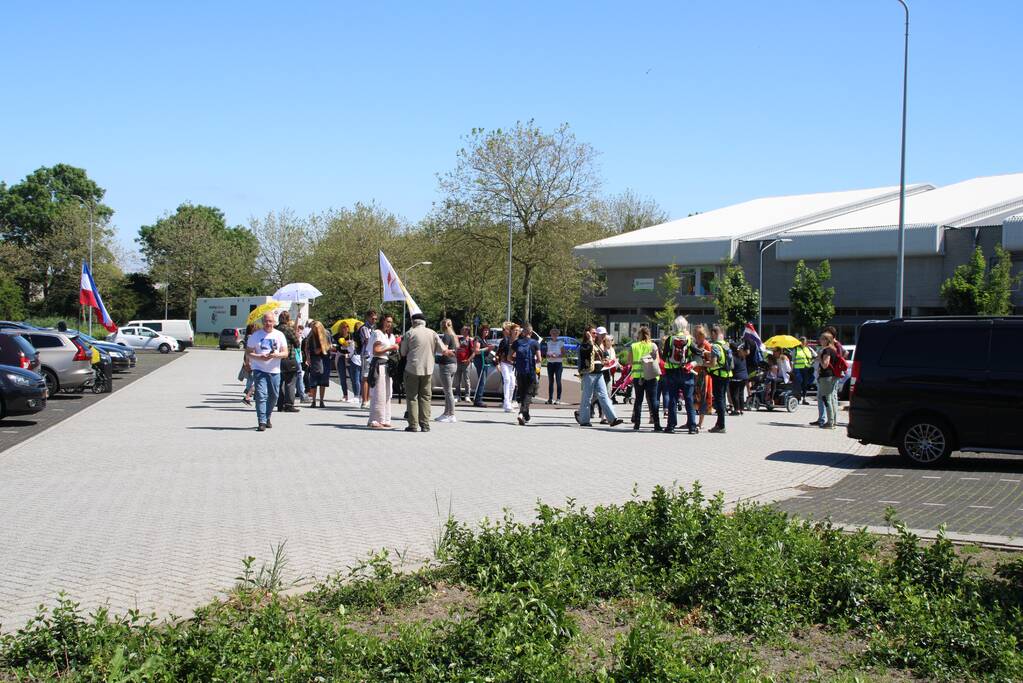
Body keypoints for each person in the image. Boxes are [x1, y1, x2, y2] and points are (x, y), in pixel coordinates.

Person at [399, 313, 450, 432]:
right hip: (428, 369)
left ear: (413, 322)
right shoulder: (432, 333)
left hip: (412, 369)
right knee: (426, 397)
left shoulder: (409, 333)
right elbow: (443, 350)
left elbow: (403, 352)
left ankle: (413, 425)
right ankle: (425, 424)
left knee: (412, 398)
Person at [246, 312, 288, 431]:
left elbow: (285, 353)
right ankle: (262, 421)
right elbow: (248, 351)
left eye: (270, 321)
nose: (267, 324)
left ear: (274, 322)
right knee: (261, 395)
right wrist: (259, 357)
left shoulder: (279, 335)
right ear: (262, 322)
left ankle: (267, 416)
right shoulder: (256, 335)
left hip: (274, 370)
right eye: (265, 321)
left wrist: (276, 355)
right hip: (259, 369)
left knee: (274, 396)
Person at [575, 327, 623, 428]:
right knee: (587, 397)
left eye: (596, 333)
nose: (595, 334)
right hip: (589, 373)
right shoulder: (585, 345)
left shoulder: (597, 345)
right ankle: (584, 420)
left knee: (604, 396)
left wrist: (606, 361)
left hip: (599, 373)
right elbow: (586, 352)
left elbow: (603, 355)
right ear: (587, 333)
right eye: (593, 333)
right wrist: (589, 340)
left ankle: (612, 418)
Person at [661, 315, 698, 434]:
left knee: (672, 399)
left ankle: (671, 426)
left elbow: (664, 356)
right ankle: (692, 427)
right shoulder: (689, 339)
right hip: (686, 373)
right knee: (688, 400)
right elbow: (696, 351)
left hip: (672, 373)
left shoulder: (670, 339)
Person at [627, 325, 662, 431]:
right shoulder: (653, 346)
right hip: (651, 376)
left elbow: (629, 361)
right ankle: (657, 424)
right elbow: (658, 361)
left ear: (639, 335)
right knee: (653, 401)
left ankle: (637, 424)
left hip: (638, 377)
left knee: (638, 400)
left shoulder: (634, 346)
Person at [367, 313, 398, 429]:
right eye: (387, 321)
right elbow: (376, 350)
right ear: (382, 321)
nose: (389, 323)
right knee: (378, 393)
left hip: (387, 365)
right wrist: (391, 347)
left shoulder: (389, 335)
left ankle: (384, 418)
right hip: (379, 363)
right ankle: (375, 419)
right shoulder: (377, 333)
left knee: (387, 393)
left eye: (391, 321)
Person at [511, 323, 541, 425]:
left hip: (519, 371)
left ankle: (526, 415)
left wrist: (516, 361)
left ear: (523, 332)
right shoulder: (535, 343)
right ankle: (521, 413)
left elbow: (509, 357)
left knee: (523, 394)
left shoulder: (517, 342)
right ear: (531, 332)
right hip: (530, 371)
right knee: (528, 394)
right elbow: (539, 359)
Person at [302, 320, 333, 408]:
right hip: (315, 358)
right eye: (313, 328)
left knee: (323, 381)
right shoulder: (311, 335)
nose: (314, 330)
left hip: (325, 358)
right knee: (314, 380)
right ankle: (314, 401)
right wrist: (307, 358)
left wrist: (325, 348)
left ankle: (322, 401)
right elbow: (306, 347)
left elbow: (330, 345)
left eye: (316, 328)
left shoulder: (326, 333)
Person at [707, 324, 732, 433]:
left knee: (719, 400)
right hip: (727, 374)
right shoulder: (726, 345)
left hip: (718, 376)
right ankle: (719, 423)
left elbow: (713, 363)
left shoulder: (715, 346)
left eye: (711, 334)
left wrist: (703, 364)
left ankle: (721, 425)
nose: (711, 336)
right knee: (722, 399)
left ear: (714, 333)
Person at [275, 311, 300, 413]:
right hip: (289, 358)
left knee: (278, 382)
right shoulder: (289, 329)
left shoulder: (275, 329)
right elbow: (297, 344)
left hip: (276, 359)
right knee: (290, 382)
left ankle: (279, 403)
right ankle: (289, 404)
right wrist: (297, 336)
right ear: (288, 319)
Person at [815, 331, 841, 429]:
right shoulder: (833, 349)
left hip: (826, 377)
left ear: (827, 340)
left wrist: (819, 358)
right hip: (830, 377)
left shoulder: (826, 350)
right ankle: (833, 421)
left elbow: (825, 365)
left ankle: (830, 423)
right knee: (830, 399)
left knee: (827, 399)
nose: (820, 340)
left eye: (822, 338)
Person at [436, 318, 459, 423]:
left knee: (448, 391)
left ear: (443, 326)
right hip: (454, 364)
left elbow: (444, 350)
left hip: (446, 365)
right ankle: (446, 413)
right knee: (448, 390)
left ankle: (452, 414)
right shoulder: (454, 336)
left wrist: (436, 350)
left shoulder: (446, 336)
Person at [692, 324, 713, 433]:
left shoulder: (707, 345)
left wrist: (701, 362)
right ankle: (691, 421)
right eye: (695, 334)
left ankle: (700, 423)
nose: (696, 336)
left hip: (703, 375)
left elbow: (711, 362)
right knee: (693, 398)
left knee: (703, 399)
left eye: (698, 334)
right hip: (695, 373)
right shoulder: (696, 344)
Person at [359, 310, 379, 409]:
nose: (374, 320)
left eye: (376, 318)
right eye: (373, 318)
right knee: (365, 378)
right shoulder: (364, 328)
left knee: (372, 378)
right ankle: (364, 400)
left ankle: (369, 399)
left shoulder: (375, 328)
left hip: (374, 355)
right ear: (368, 317)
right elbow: (369, 340)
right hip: (366, 355)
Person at [497, 322, 518, 412]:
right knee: (507, 380)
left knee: (513, 383)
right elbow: (498, 353)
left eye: (518, 330)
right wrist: (497, 364)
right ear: (511, 331)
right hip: (504, 363)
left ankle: (509, 402)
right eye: (515, 330)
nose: (517, 332)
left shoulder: (518, 341)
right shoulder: (505, 340)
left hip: (512, 365)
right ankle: (506, 403)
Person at [472, 323, 493, 407]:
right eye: (485, 330)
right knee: (482, 380)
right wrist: (487, 348)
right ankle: (478, 400)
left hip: (485, 361)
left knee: (482, 381)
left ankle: (478, 399)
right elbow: (476, 351)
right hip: (480, 361)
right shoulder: (478, 339)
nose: (486, 332)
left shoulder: (485, 340)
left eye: (487, 330)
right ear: (481, 331)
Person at [454, 325, 476, 402]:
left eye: (464, 330)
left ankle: (467, 395)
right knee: (457, 380)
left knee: (466, 379)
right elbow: (456, 350)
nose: (462, 331)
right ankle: (457, 395)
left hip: (466, 363)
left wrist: (468, 360)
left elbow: (473, 353)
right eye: (462, 330)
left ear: (467, 331)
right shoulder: (459, 339)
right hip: (458, 362)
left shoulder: (470, 340)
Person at [728, 336, 749, 416]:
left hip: (736, 377)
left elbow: (731, 367)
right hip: (744, 377)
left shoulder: (733, 357)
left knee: (734, 394)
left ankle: (736, 410)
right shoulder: (743, 356)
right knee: (740, 394)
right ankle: (741, 409)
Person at [792, 337, 816, 405]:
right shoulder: (796, 349)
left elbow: (815, 355)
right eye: (801, 341)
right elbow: (793, 359)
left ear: (806, 342)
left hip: (806, 369)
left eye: (804, 341)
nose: (802, 343)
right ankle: (798, 398)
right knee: (798, 383)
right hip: (798, 369)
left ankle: (804, 398)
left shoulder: (808, 349)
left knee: (805, 384)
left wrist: (812, 362)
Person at [545, 327, 565, 405]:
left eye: (556, 333)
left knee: (558, 381)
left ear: (558, 334)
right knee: (550, 381)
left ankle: (558, 398)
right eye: (553, 333)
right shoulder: (548, 342)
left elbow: (563, 354)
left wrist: (556, 356)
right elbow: (546, 353)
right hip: (550, 363)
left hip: (558, 364)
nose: (554, 335)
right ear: (550, 334)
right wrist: (548, 355)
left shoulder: (560, 343)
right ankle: (550, 398)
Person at [333, 322, 352, 403]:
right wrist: (339, 346)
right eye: (344, 327)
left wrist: (349, 344)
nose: (346, 328)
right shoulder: (337, 336)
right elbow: (335, 346)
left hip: (349, 357)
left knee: (352, 376)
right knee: (342, 377)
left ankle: (356, 395)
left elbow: (355, 346)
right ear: (341, 328)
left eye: (347, 327)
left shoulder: (351, 335)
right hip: (341, 356)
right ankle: (345, 395)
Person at [240, 322, 257, 405]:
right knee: (254, 378)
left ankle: (248, 391)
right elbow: (248, 351)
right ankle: (248, 392)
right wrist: (248, 361)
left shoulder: (249, 337)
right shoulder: (251, 337)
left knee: (251, 377)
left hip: (251, 360)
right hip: (252, 360)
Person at [295, 321, 308, 403]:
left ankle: (300, 394)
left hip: (299, 359)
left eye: (301, 333)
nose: (300, 334)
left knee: (299, 377)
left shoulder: (301, 339)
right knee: (299, 377)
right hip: (296, 360)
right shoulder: (295, 339)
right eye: (299, 332)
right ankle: (302, 395)